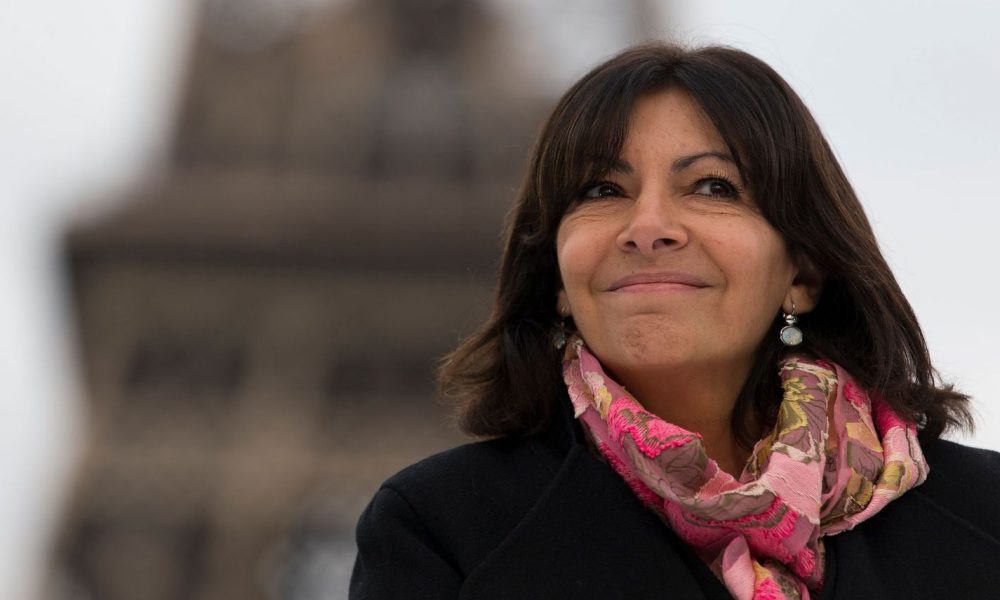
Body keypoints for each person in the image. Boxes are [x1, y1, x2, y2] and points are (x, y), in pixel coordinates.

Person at [348, 43, 1000, 600]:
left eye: (714, 186)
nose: (649, 228)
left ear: (802, 273)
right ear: (557, 279)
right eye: (602, 190)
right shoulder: (446, 529)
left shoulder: (985, 516)